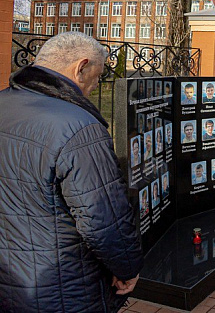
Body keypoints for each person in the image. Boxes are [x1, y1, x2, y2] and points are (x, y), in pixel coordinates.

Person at [0, 32, 142, 310]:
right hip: (63, 287)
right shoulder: (80, 127)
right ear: (81, 67)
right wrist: (127, 269)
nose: (95, 86)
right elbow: (103, 221)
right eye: (98, 76)